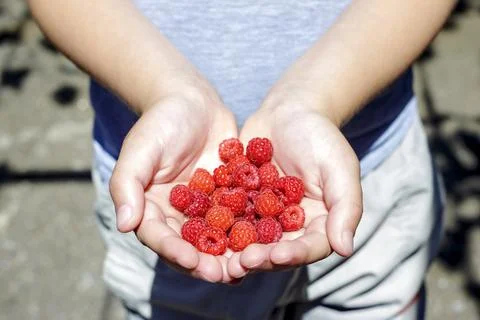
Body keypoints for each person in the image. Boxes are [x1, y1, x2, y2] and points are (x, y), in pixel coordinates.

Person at [28, 0, 454, 319]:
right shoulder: (212, 199)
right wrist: (165, 91)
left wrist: (314, 98)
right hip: (157, 182)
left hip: (370, 188)